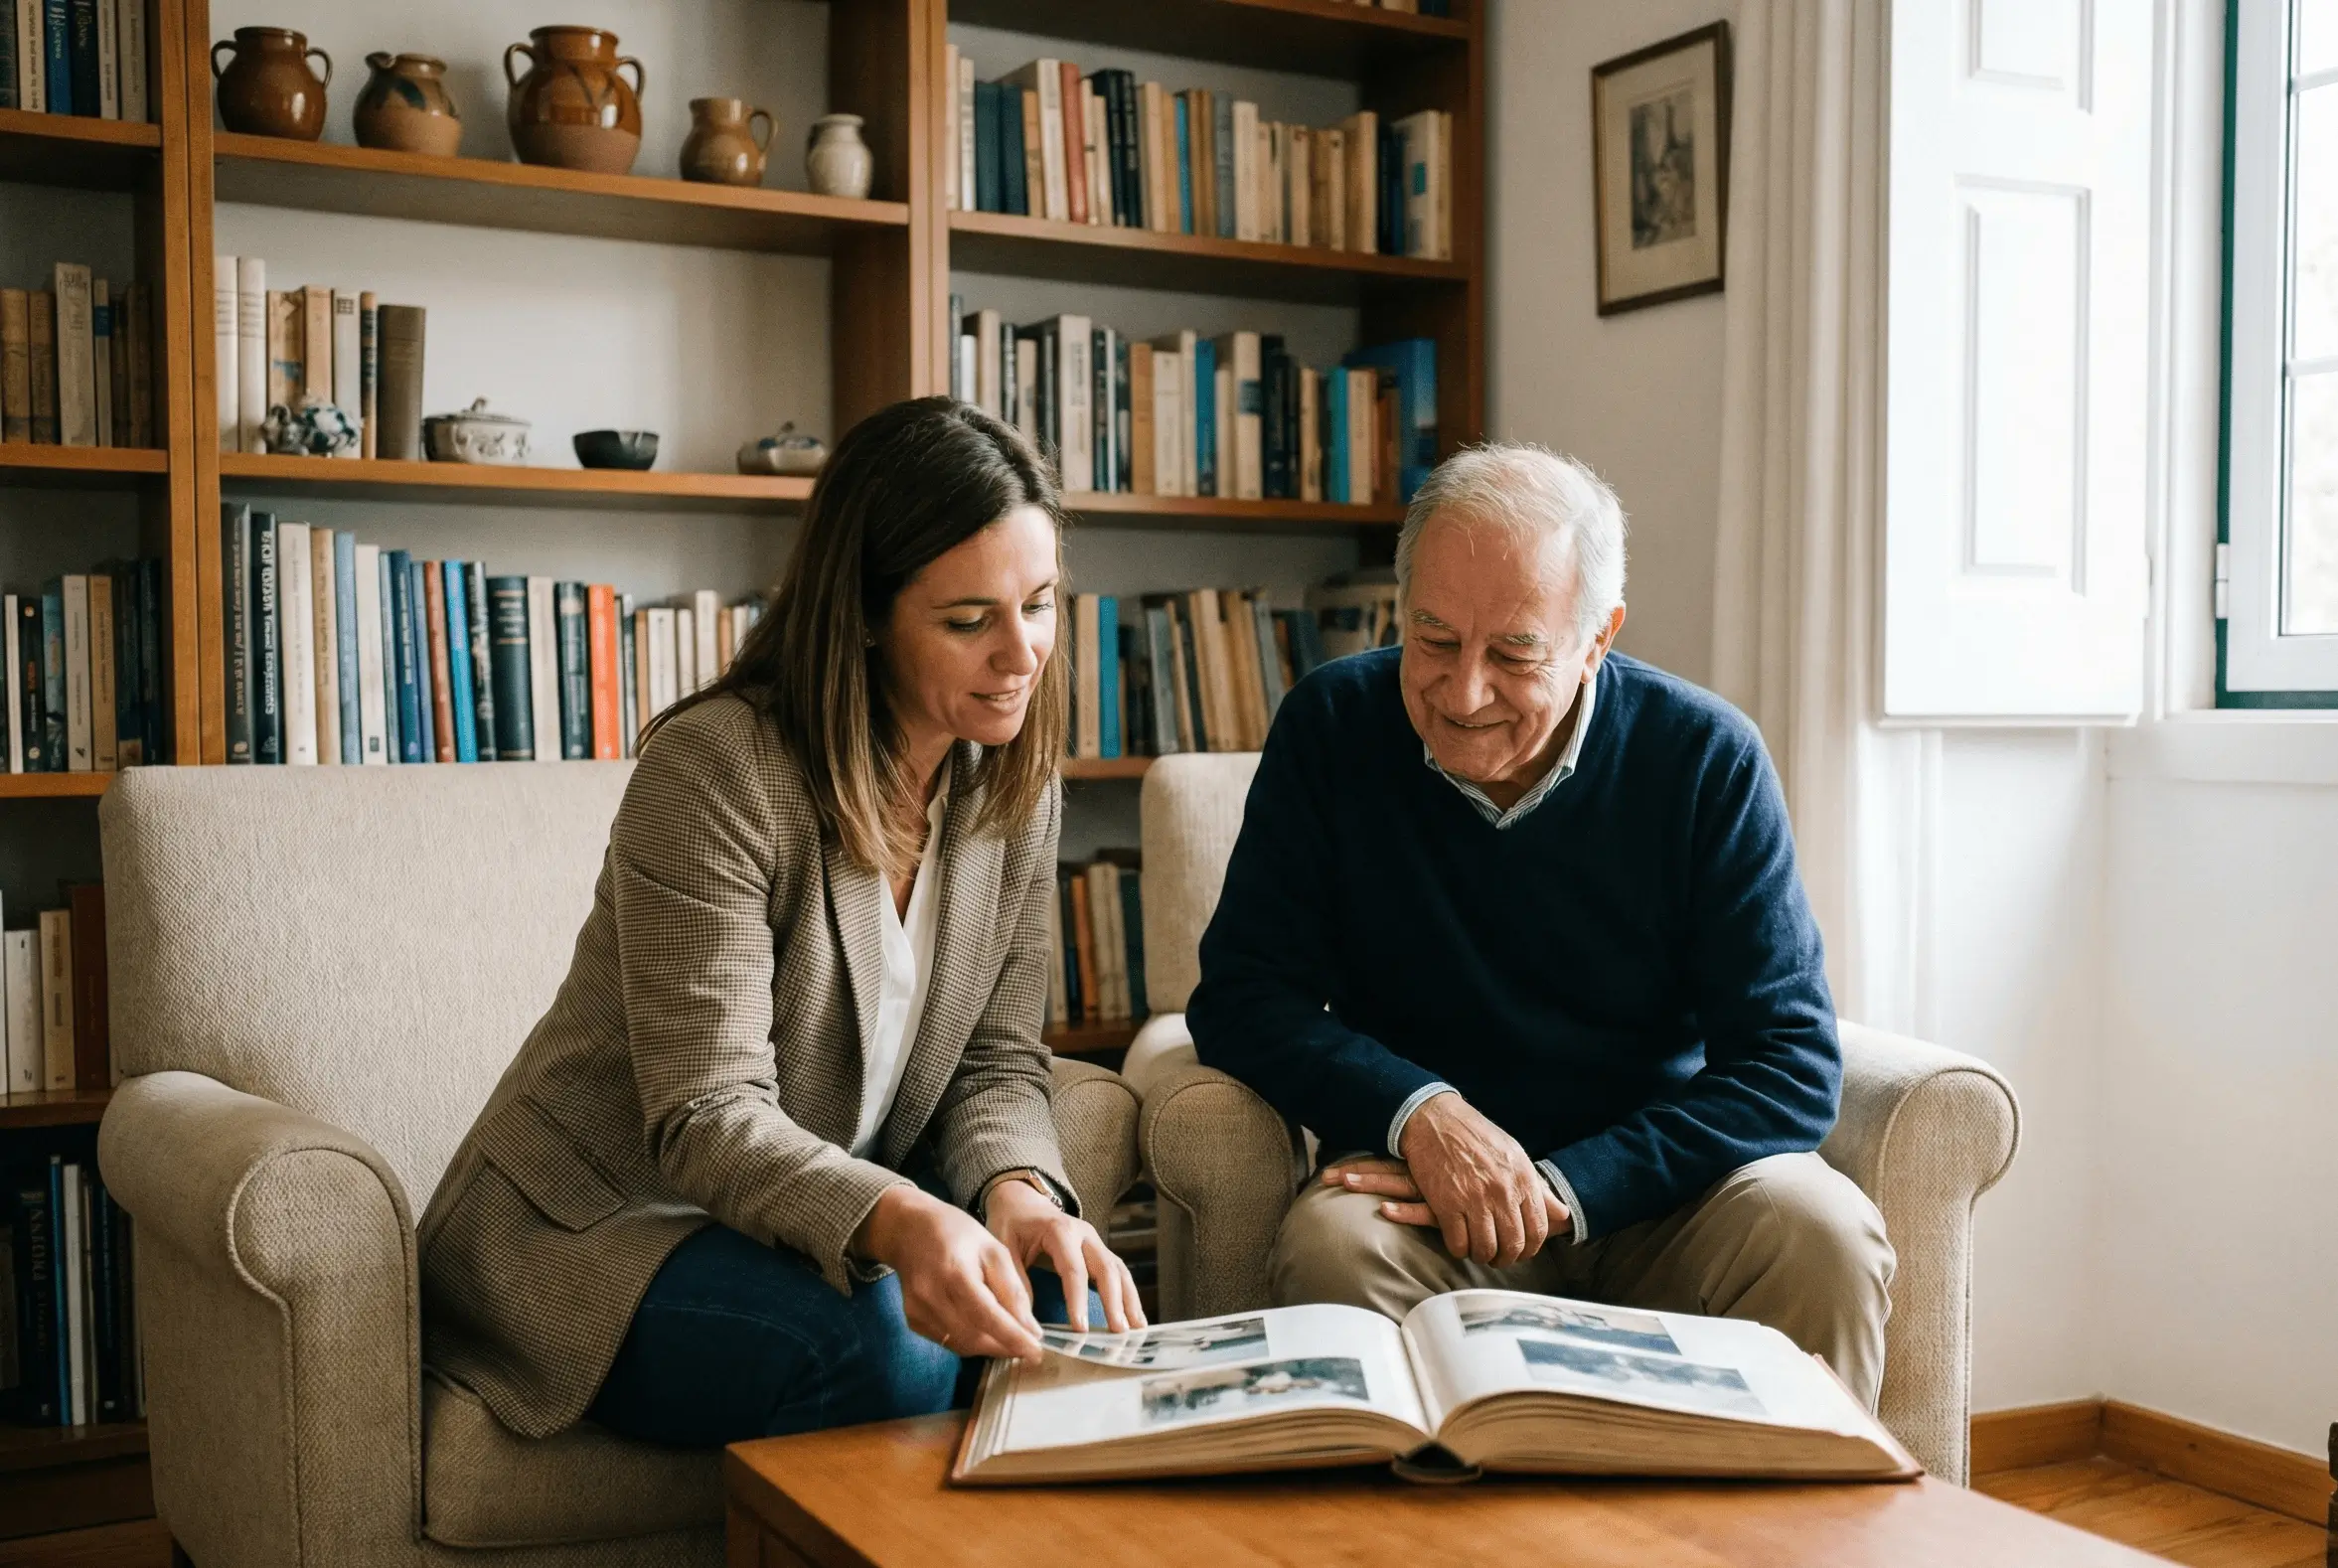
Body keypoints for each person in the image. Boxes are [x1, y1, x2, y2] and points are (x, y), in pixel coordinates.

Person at [418, 397, 1144, 1448]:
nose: (1021, 653)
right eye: (967, 620)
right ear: (860, 612)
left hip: (799, 1214)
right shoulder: (717, 771)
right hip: (610, 1222)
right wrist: (901, 1219)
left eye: (1038, 604)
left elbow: (994, 1061)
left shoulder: (1012, 789)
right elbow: (706, 1112)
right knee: (882, 1344)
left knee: (1073, 1310)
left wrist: (1018, 1190)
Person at [1185, 443, 1896, 1407]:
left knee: (1823, 1234)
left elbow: (1788, 1065)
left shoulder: (1703, 759)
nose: (1463, 691)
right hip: (1424, 1203)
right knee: (1330, 1246)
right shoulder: (1331, 725)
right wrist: (1418, 1112)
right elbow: (1242, 996)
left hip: (1658, 1201)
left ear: (1597, 638)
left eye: (1513, 655)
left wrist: (1569, 1189)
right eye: (1432, 640)